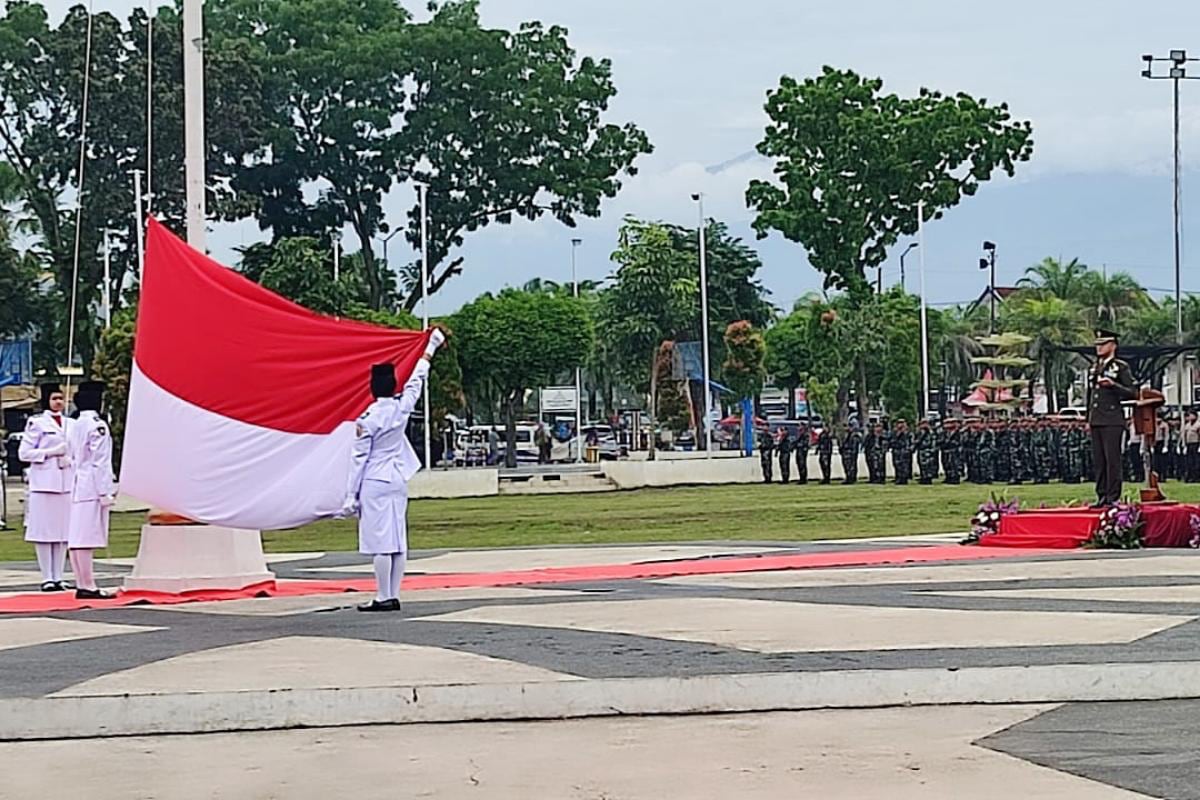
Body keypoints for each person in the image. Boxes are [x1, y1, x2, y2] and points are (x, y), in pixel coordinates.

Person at [343, 329, 445, 612]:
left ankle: (382, 595)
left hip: (375, 479)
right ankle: (394, 593)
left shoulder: (369, 418)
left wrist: (350, 495)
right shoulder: (401, 409)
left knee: (379, 541)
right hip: (397, 477)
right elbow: (416, 381)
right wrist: (430, 349)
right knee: (398, 539)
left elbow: (358, 458)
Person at [18, 383, 74, 592]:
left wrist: (69, 459)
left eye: (61, 398)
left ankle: (59, 576)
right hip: (43, 483)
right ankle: (47, 577)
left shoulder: (71, 423)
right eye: (54, 398)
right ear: (46, 401)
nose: (59, 402)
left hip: (65, 482)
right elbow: (25, 453)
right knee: (43, 532)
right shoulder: (37, 423)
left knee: (62, 533)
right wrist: (50, 452)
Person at [66, 381, 116, 600]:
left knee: (77, 537)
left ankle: (82, 582)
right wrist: (105, 491)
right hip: (91, 486)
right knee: (86, 536)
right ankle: (88, 585)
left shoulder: (75, 424)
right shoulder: (97, 425)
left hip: (77, 483)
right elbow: (100, 461)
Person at [1087, 328, 1137, 507]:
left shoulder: (1120, 367)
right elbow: (1091, 394)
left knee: (1112, 460)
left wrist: (1113, 385)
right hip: (1097, 419)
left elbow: (1132, 392)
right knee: (1099, 460)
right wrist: (1088, 418)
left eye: (1103, 344)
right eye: (1097, 344)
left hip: (1112, 419)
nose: (1099, 348)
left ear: (1113, 345)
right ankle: (1101, 495)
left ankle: (1112, 496)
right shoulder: (1094, 367)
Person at [915, 418, 938, 485]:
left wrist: (932, 450)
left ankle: (928, 478)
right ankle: (923, 477)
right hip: (921, 450)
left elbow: (934, 441)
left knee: (928, 465)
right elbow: (916, 441)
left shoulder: (931, 432)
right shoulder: (919, 432)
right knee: (922, 465)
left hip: (928, 450)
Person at [891, 418, 913, 485]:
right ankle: (898, 478)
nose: (901, 425)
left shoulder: (908, 433)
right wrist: (898, 433)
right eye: (899, 423)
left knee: (905, 466)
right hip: (897, 451)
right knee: (897, 465)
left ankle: (904, 479)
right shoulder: (894, 432)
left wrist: (909, 449)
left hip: (905, 451)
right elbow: (891, 441)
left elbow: (911, 442)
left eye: (902, 423)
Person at [1185, 411, 1200, 483]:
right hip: (1189, 444)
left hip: (1196, 444)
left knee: (1196, 461)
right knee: (1189, 461)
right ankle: (1190, 477)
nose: (1190, 417)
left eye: (1191, 415)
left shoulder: (1198, 425)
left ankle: (1196, 477)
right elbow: (1184, 435)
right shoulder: (1187, 425)